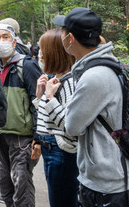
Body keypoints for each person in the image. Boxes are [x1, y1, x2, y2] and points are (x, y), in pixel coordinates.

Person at [53, 7, 129, 206]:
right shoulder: (106, 66)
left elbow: (72, 126)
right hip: (109, 175)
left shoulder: (95, 76)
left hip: (107, 183)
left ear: (70, 38)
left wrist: (49, 101)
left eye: (63, 32)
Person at [0, 22, 41, 207]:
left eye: (5, 37)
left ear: (14, 41)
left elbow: (38, 102)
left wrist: (38, 137)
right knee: (6, 188)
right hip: (0, 136)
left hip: (22, 138)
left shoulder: (27, 66)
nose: (1, 41)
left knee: (21, 186)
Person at [32, 29, 79, 207]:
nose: (39, 54)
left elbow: (70, 125)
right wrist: (41, 96)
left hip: (62, 151)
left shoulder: (70, 82)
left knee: (62, 201)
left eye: (42, 50)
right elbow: (47, 118)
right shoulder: (55, 78)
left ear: (55, 53)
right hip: (51, 148)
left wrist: (50, 98)